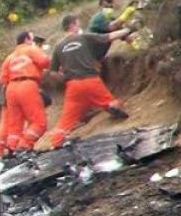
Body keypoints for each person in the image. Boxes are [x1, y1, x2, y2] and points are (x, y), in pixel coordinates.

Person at [45, 15, 134, 149]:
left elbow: (52, 73)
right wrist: (128, 30)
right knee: (110, 102)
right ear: (73, 25)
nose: (79, 26)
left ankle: (55, 142)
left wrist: (65, 78)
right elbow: (109, 37)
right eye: (78, 23)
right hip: (91, 80)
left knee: (66, 120)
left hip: (73, 86)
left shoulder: (58, 47)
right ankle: (112, 106)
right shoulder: (84, 38)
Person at [0, 32, 50, 158]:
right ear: (27, 39)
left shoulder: (9, 57)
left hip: (11, 89)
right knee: (39, 123)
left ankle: (12, 149)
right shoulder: (30, 49)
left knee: (14, 127)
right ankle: (24, 146)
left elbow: (4, 78)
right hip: (27, 85)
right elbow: (45, 62)